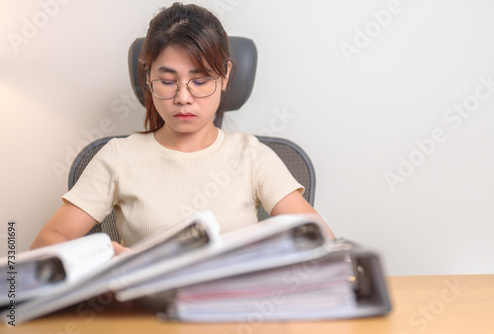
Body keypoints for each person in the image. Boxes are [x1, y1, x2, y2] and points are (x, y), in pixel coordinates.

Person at [31, 2, 334, 255]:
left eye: (200, 81)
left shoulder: (252, 156)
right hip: (143, 315)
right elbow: (46, 243)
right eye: (167, 81)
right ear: (147, 77)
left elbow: (321, 240)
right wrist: (104, 258)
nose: (183, 97)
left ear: (225, 75)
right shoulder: (118, 157)